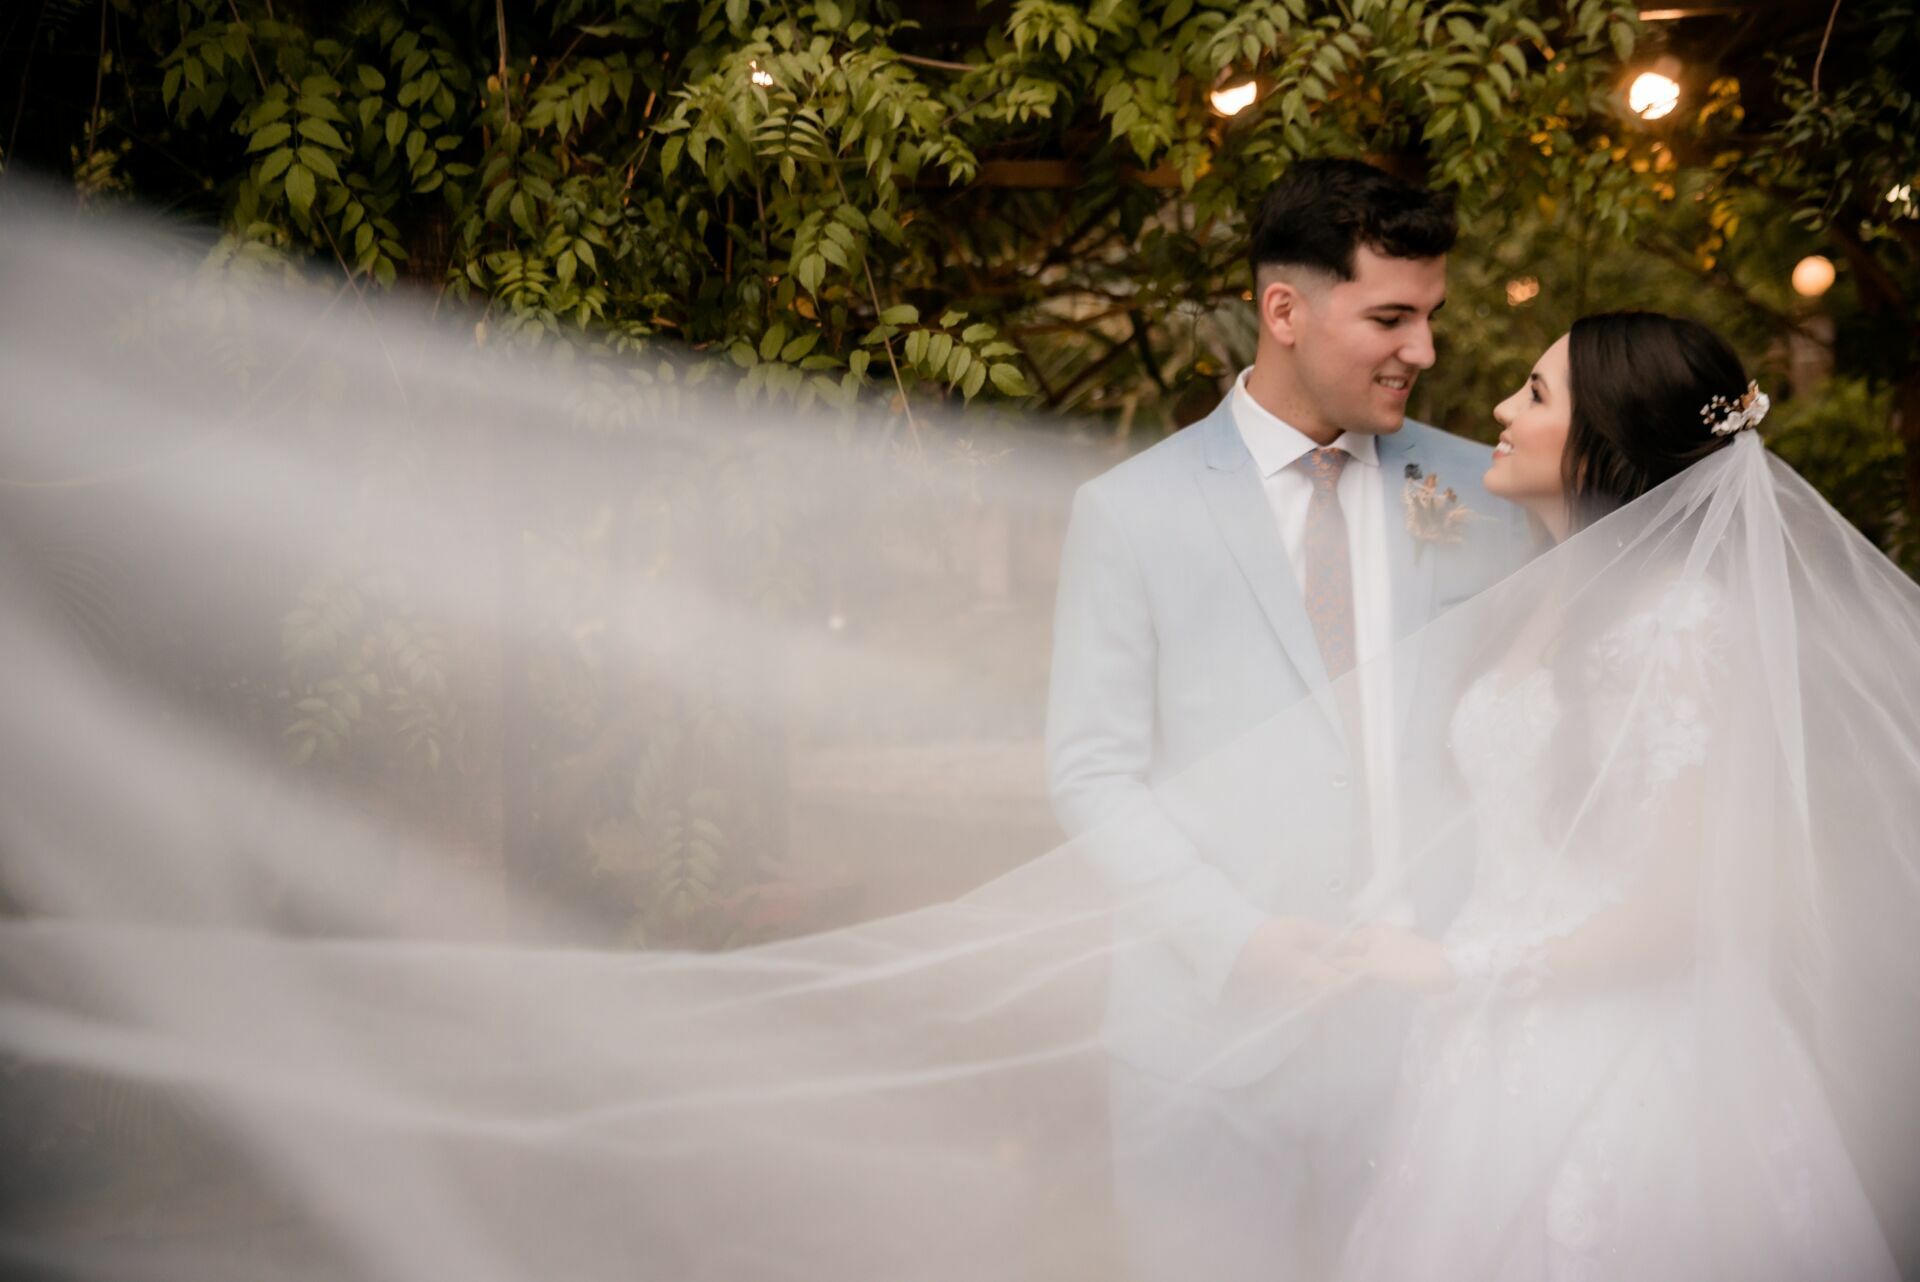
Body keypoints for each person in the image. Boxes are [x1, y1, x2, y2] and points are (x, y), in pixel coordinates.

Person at [1332, 313, 1905, 1280]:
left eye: (1539, 394)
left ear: (1610, 440)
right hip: (1483, 1054)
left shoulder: (1680, 625)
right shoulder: (1542, 593)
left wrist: (1453, 966)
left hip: (1629, 1064)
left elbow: (1686, 913)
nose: (1504, 410)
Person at [1043, 157, 1533, 1282]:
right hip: (1203, 1048)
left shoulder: (1481, 493)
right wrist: (1236, 937)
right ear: (1283, 309)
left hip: (1428, 1042)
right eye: (1391, 317)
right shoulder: (1130, 513)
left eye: (1432, 316)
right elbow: (1090, 772)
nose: (1426, 351)